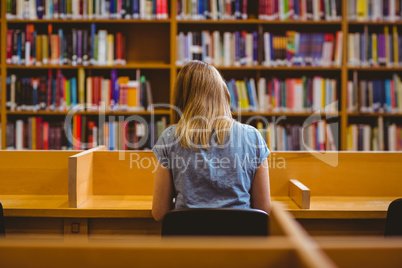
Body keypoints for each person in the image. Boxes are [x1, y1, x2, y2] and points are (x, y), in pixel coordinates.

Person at [152, 60, 271, 221]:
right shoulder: (253, 137)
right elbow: (263, 210)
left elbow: (159, 213)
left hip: (186, 242)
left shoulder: (170, 137)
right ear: (222, 93)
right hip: (240, 242)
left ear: (182, 98)